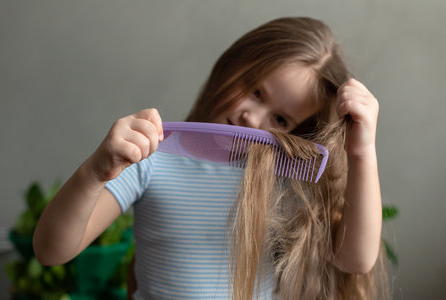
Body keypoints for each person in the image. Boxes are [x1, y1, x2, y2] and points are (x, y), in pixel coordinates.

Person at [33, 17, 389, 299]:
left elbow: (355, 259)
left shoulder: (286, 181)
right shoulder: (152, 158)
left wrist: (362, 152)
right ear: (230, 65)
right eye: (254, 89)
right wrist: (96, 171)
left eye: (281, 120)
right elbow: (52, 251)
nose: (253, 116)